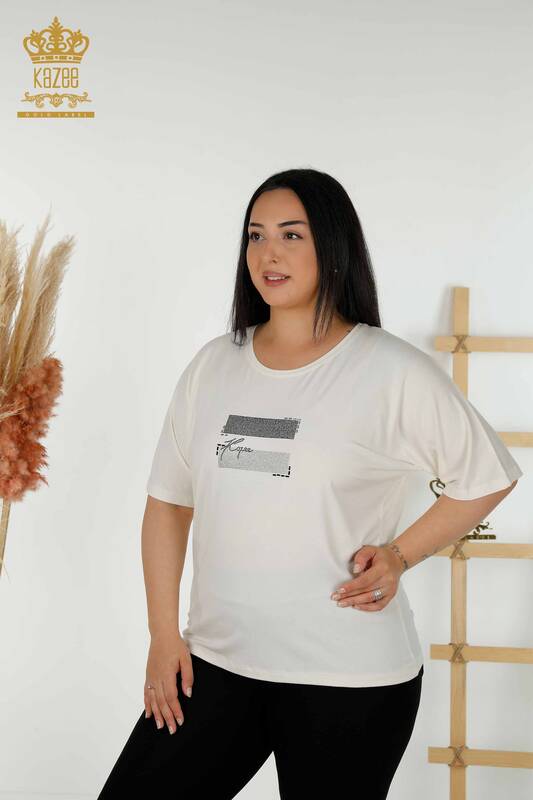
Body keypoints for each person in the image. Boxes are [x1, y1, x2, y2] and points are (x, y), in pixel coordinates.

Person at [97, 168, 523, 799]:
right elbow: (167, 503)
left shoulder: (389, 370)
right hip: (216, 664)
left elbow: (488, 475)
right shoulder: (213, 366)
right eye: (256, 235)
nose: (268, 253)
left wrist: (400, 555)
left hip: (348, 679)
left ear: (333, 245)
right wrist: (164, 635)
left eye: (291, 235)